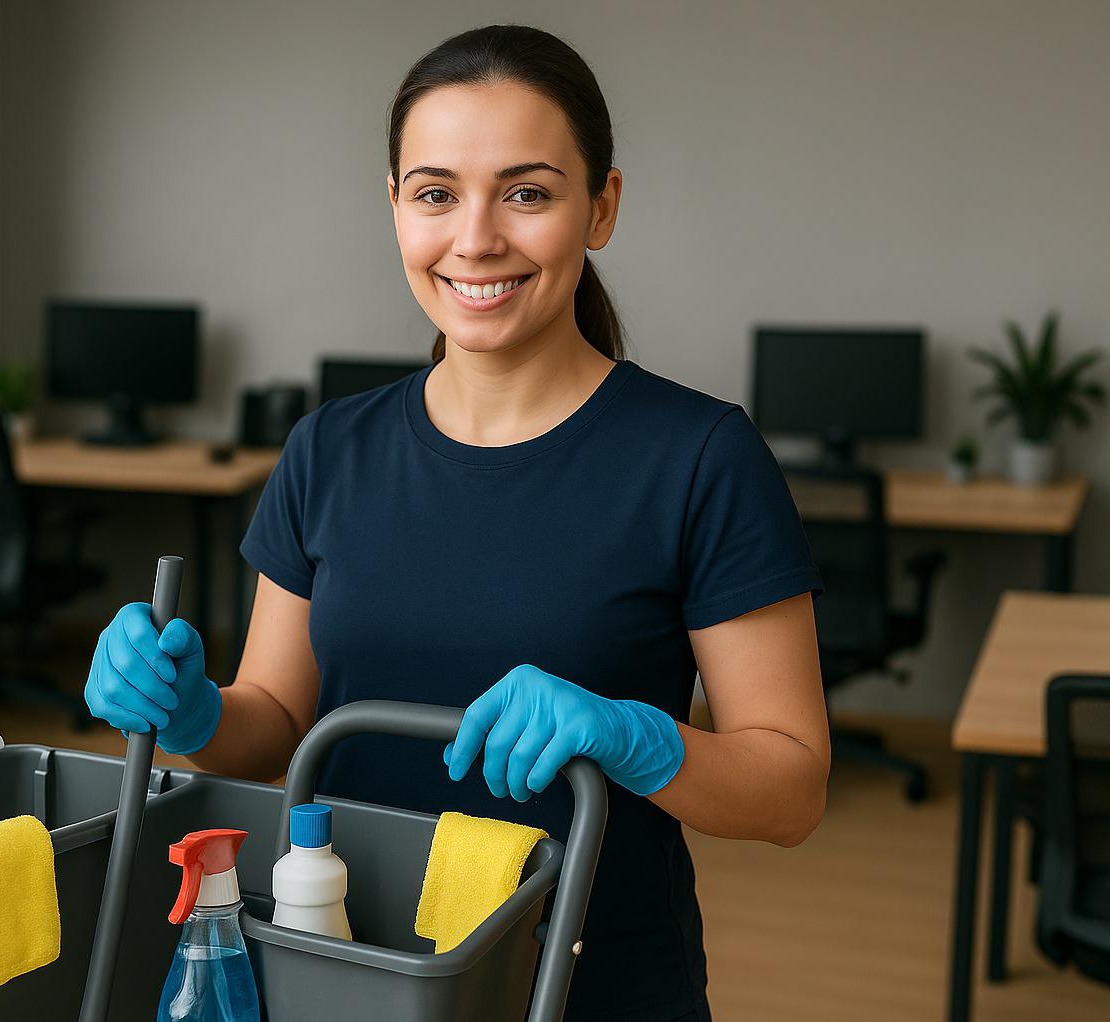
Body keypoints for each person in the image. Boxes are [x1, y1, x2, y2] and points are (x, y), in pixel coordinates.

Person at [85, 23, 828, 1021]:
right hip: (344, 958)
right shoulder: (327, 450)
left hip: (591, 976)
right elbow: (274, 718)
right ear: (395, 206)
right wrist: (195, 714)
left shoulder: (698, 457)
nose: (475, 237)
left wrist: (641, 738)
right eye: (436, 192)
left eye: (527, 191)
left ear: (600, 207)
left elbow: (791, 788)